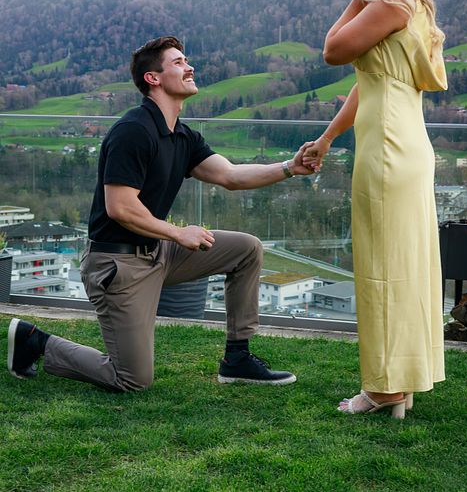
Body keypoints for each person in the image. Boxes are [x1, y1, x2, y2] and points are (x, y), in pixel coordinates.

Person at [8, 36, 314, 391]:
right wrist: (178, 233)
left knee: (246, 249)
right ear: (153, 78)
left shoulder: (182, 136)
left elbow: (231, 176)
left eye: (186, 61)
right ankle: (35, 341)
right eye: (179, 62)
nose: (190, 67)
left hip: (159, 252)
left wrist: (289, 167)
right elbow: (120, 207)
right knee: (131, 378)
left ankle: (237, 359)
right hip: (119, 264)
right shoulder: (133, 131)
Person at [303, 0, 447, 418]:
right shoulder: (415, 6)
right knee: (404, 265)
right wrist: (327, 137)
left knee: (382, 267)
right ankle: (402, 381)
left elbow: (333, 50)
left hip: (386, 149)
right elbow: (369, 81)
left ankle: (385, 389)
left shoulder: (387, 5)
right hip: (406, 144)